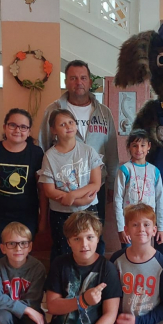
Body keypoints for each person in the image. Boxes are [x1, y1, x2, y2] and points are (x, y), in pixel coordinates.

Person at [39, 60, 119, 251]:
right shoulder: (53, 110)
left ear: (90, 81)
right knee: (64, 241)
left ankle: (96, 269)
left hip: (95, 186)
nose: (78, 82)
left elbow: (111, 151)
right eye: (73, 78)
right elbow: (43, 146)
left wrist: (111, 185)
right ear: (66, 82)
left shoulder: (104, 112)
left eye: (83, 78)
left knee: (94, 237)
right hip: (61, 190)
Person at [0, 108, 47, 262]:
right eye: (13, 125)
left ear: (29, 131)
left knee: (22, 259)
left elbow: (42, 190)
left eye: (23, 127)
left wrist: (43, 218)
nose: (17, 130)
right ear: (5, 127)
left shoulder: (36, 153)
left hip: (27, 216)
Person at [39, 109, 103, 260]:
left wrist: (73, 196)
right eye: (62, 124)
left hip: (88, 209)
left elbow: (95, 183)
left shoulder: (88, 151)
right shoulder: (49, 156)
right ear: (53, 130)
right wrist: (75, 200)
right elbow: (49, 190)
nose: (68, 126)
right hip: (61, 213)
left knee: (88, 248)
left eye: (71, 122)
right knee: (63, 251)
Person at [114, 129, 163, 246]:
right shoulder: (125, 170)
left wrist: (161, 227)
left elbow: (160, 200)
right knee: (129, 252)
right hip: (129, 223)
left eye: (142, 145)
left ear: (149, 146)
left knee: (146, 252)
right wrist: (121, 228)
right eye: (134, 145)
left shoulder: (154, 171)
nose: (139, 149)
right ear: (129, 147)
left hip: (148, 223)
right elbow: (118, 199)